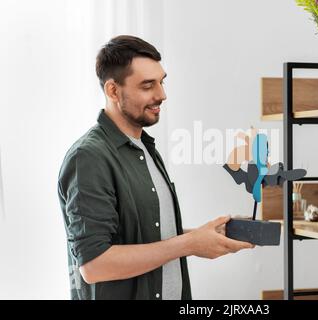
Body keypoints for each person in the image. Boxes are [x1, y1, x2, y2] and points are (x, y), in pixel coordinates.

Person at [57, 35, 254, 300]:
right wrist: (189, 244)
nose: (162, 95)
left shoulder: (144, 148)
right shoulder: (89, 157)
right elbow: (94, 265)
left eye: (161, 82)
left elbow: (146, 234)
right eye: (148, 85)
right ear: (113, 91)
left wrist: (205, 234)